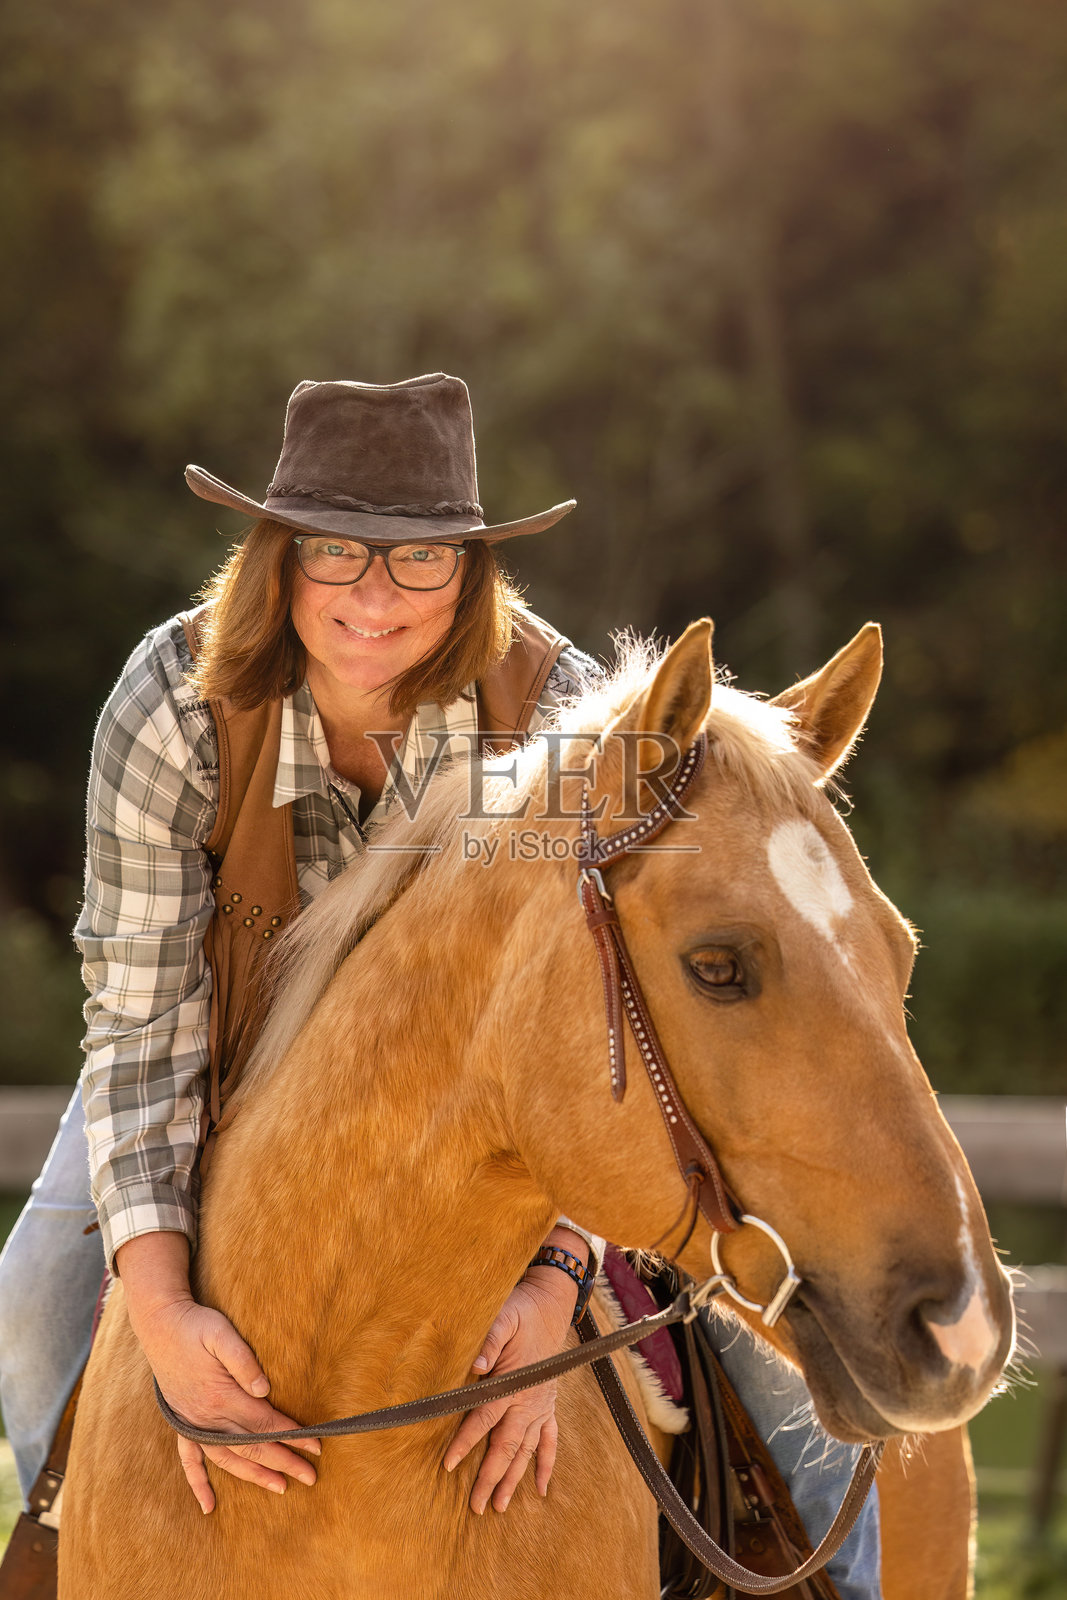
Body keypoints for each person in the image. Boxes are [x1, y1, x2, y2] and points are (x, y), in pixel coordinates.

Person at [0, 374, 879, 1592]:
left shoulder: (561, 719)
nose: (373, 594)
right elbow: (141, 1016)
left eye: (418, 559)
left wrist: (558, 1275)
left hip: (499, 1111)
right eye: (334, 552)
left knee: (795, 1372)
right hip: (205, 1066)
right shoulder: (171, 706)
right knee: (38, 1300)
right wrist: (156, 1308)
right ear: (276, 561)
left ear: (469, 574)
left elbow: (605, 1006)